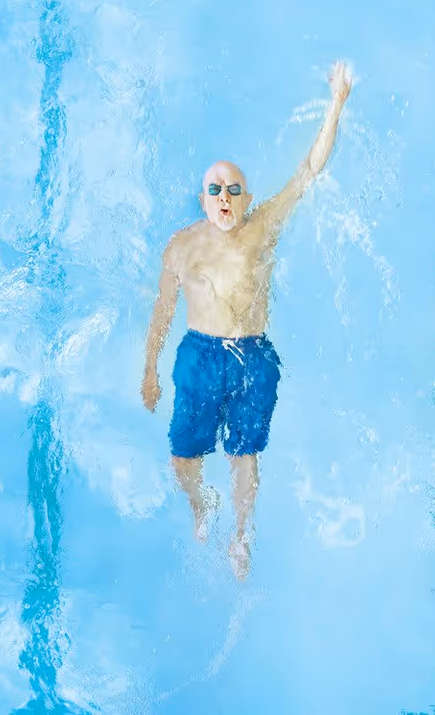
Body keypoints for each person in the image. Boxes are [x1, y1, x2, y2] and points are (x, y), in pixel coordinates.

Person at [141, 61, 354, 579]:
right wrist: (150, 367)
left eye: (234, 189)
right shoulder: (182, 246)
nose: (224, 198)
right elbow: (164, 307)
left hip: (253, 358)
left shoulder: (263, 228)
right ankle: (201, 505)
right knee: (182, 460)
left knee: (245, 457)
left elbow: (309, 171)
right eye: (215, 190)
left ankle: (240, 535)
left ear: (249, 199)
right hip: (199, 355)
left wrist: (337, 102)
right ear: (202, 200)